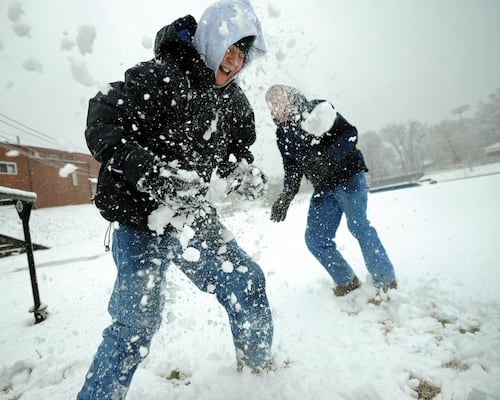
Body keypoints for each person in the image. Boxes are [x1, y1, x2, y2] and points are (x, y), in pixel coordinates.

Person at [77, 1, 273, 399]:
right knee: (136, 324)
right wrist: (150, 173)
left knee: (246, 280)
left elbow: (235, 153)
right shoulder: (159, 76)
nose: (234, 62)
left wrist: (242, 174)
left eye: (242, 54)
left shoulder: (234, 103)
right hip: (140, 219)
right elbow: (101, 118)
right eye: (229, 48)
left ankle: (259, 372)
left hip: (191, 217)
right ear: (210, 40)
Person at [265, 84, 397, 299]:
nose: (275, 107)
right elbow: (291, 168)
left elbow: (350, 134)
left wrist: (329, 157)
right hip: (324, 187)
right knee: (315, 239)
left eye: (279, 101)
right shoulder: (283, 134)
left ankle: (386, 280)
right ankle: (347, 281)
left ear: (291, 98)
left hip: (349, 176)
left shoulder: (317, 110)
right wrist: (287, 195)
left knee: (359, 226)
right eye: (271, 104)